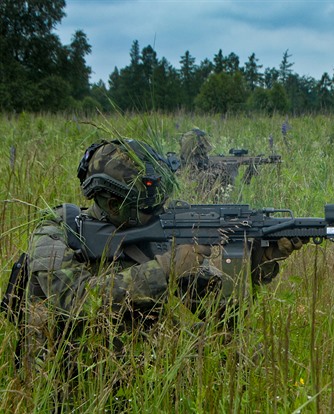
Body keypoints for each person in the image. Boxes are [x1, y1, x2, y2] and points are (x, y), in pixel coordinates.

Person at [20, 138, 303, 392]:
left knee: (245, 352)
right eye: (146, 206)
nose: (157, 211)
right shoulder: (57, 232)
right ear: (113, 201)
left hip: (142, 373)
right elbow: (77, 301)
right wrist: (165, 269)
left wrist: (262, 260)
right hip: (74, 378)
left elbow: (217, 306)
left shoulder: (152, 234)